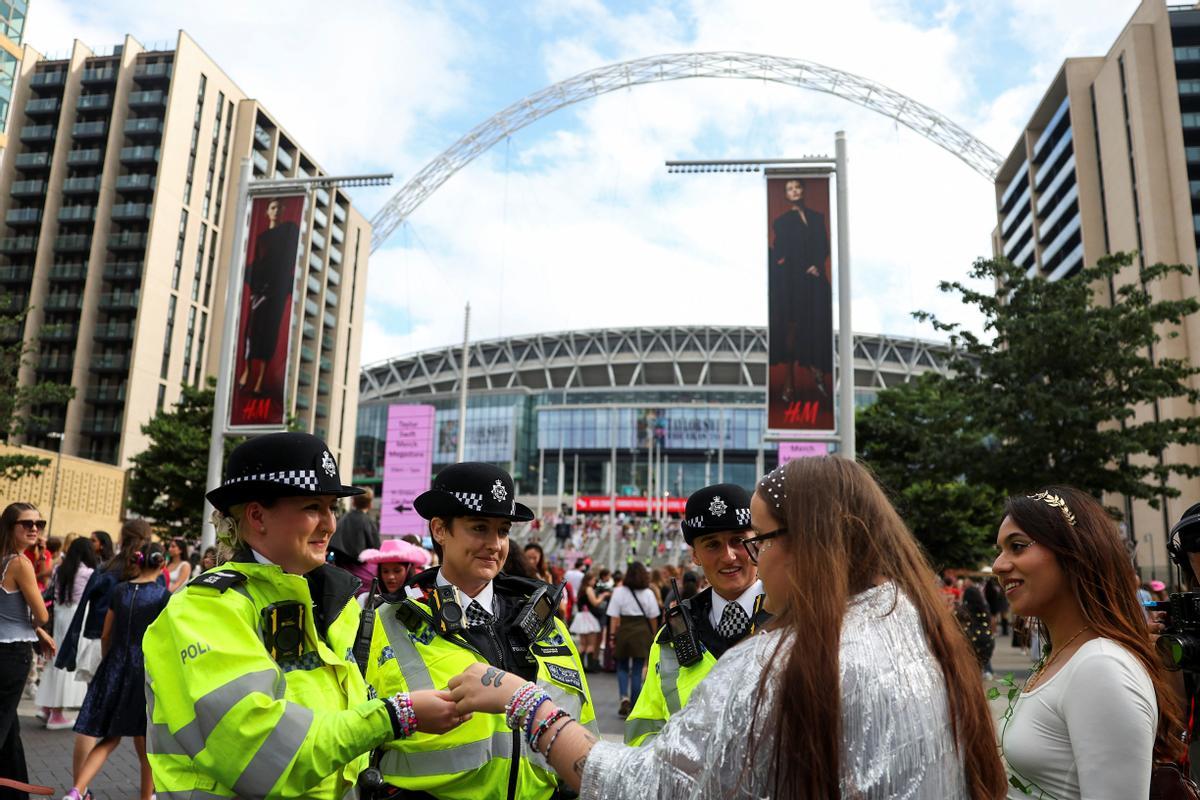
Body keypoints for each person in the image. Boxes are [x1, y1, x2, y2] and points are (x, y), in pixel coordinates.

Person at [447, 456, 1006, 799]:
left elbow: (649, 788)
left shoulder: (782, 657)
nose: (743, 556)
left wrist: (527, 704)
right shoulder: (911, 625)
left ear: (808, 539)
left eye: (753, 539)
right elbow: (650, 737)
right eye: (715, 544)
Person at [141, 432, 465, 800]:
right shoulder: (204, 609)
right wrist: (394, 716)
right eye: (313, 507)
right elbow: (261, 753)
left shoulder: (335, 603)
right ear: (257, 516)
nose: (329, 524)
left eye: (332, 508)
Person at [365, 461, 597, 800]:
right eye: (479, 527)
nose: (495, 544)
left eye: (502, 530)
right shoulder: (385, 621)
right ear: (440, 530)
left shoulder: (549, 628)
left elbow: (587, 735)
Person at [994, 487, 1185, 799]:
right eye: (1000, 550)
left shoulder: (1100, 667)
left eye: (1017, 546)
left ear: (1074, 552)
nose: (999, 565)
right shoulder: (1062, 657)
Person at [625, 483, 770, 746]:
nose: (728, 556)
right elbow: (644, 729)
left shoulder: (795, 619)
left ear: (757, 544)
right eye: (712, 544)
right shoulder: (669, 637)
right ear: (695, 556)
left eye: (738, 540)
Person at [63, 542, 171, 800]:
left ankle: (76, 791)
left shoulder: (120, 590)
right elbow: (166, 640)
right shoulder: (162, 596)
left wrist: (109, 661)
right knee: (146, 744)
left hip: (115, 665)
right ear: (162, 564)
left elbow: (106, 634)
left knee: (109, 738)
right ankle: (147, 797)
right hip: (143, 671)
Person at [0, 503, 54, 799]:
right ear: (10, 527)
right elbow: (42, 613)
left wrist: (36, 630)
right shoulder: (20, 563)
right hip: (13, 654)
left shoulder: (2, 560)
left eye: (39, 523)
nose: (35, 529)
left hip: (7, 649)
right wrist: (40, 625)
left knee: (11, 733)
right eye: (26, 524)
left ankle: (17, 793)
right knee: (3, 726)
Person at [768, 177, 831, 402]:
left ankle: (817, 369)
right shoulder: (782, 222)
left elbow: (824, 246)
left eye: (796, 187)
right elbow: (781, 250)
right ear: (786, 195)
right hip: (795, 280)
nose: (794, 191)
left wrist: (815, 264)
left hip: (817, 280)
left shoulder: (817, 217)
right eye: (789, 189)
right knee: (793, 329)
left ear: (803, 190)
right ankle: (789, 381)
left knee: (819, 324)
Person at [238, 197, 302, 394]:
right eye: (272, 208)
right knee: (251, 331)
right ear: (267, 212)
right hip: (259, 291)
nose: (276, 211)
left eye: (279, 208)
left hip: (276, 292)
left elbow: (288, 262)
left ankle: (260, 379)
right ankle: (247, 371)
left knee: (269, 334)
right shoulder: (261, 238)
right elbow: (257, 263)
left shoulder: (289, 232)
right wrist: (255, 284)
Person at [36, 537, 96, 730]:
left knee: (56, 659)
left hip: (60, 614)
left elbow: (50, 592)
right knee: (70, 660)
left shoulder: (59, 569)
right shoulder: (88, 573)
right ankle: (56, 714)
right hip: (78, 614)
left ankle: (46, 707)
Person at [607, 560, 659, 718]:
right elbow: (653, 616)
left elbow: (614, 617)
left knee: (622, 667)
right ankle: (635, 705)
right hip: (642, 632)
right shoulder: (648, 593)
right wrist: (654, 635)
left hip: (624, 630)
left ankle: (624, 697)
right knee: (637, 671)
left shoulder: (619, 591)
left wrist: (612, 636)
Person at [329, 487, 381, 595]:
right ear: (370, 504)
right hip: (364, 578)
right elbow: (376, 549)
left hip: (341, 572)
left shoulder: (343, 518)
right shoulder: (368, 521)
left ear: (353, 502)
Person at [357, 537, 430, 605]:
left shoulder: (420, 599)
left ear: (408, 571)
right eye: (385, 571)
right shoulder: (365, 600)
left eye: (397, 571)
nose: (390, 577)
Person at [569, 571, 607, 672]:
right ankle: (590, 666)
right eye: (594, 580)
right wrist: (602, 596)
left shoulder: (581, 589)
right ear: (589, 580)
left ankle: (579, 665)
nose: (595, 582)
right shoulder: (589, 589)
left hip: (581, 617)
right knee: (591, 644)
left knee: (582, 644)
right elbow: (595, 603)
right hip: (588, 618)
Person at [958, 574, 995, 678]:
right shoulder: (984, 608)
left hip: (970, 638)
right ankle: (988, 671)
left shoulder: (963, 610)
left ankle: (983, 672)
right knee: (982, 656)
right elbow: (989, 620)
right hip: (986, 638)